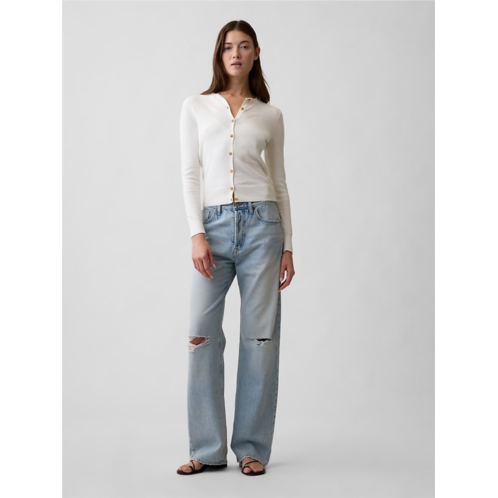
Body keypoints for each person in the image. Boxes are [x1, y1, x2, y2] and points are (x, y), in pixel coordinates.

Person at [177, 20, 295, 477]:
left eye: (244, 46)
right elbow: (190, 173)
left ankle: (251, 448)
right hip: (213, 227)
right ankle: (207, 449)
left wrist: (288, 246)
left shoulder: (270, 115)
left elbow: (279, 182)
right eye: (228, 46)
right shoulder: (196, 106)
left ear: (256, 53)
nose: (236, 53)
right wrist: (196, 233)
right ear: (219, 53)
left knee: (260, 338)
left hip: (264, 226)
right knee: (201, 335)